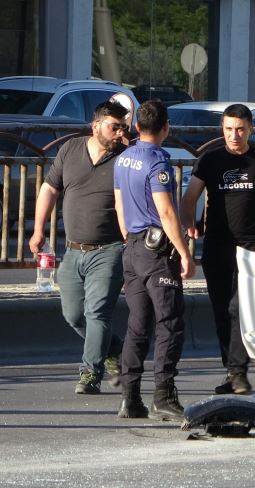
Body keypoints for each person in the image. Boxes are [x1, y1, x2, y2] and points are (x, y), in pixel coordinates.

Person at [181, 103, 255, 395]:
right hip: (217, 243)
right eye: (229, 129)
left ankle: (239, 373)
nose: (234, 135)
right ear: (222, 130)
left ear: (250, 129)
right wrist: (189, 225)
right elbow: (190, 197)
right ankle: (232, 370)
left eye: (240, 129)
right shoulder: (210, 159)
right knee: (220, 310)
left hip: (252, 243)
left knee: (239, 308)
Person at [29, 100, 129, 395]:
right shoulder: (70, 150)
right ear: (95, 125)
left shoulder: (124, 158)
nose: (120, 133)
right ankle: (113, 349)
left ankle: (90, 373)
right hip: (72, 251)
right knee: (74, 315)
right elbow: (49, 189)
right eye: (115, 127)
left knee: (98, 312)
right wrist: (37, 231)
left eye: (123, 127)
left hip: (110, 250)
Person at [113, 100, 195, 419]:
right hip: (156, 251)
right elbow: (165, 211)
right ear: (166, 128)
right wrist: (185, 252)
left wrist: (129, 241)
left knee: (137, 325)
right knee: (170, 321)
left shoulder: (123, 159)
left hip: (132, 248)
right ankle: (163, 394)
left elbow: (119, 206)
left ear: (136, 127)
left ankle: (130, 397)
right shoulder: (157, 161)